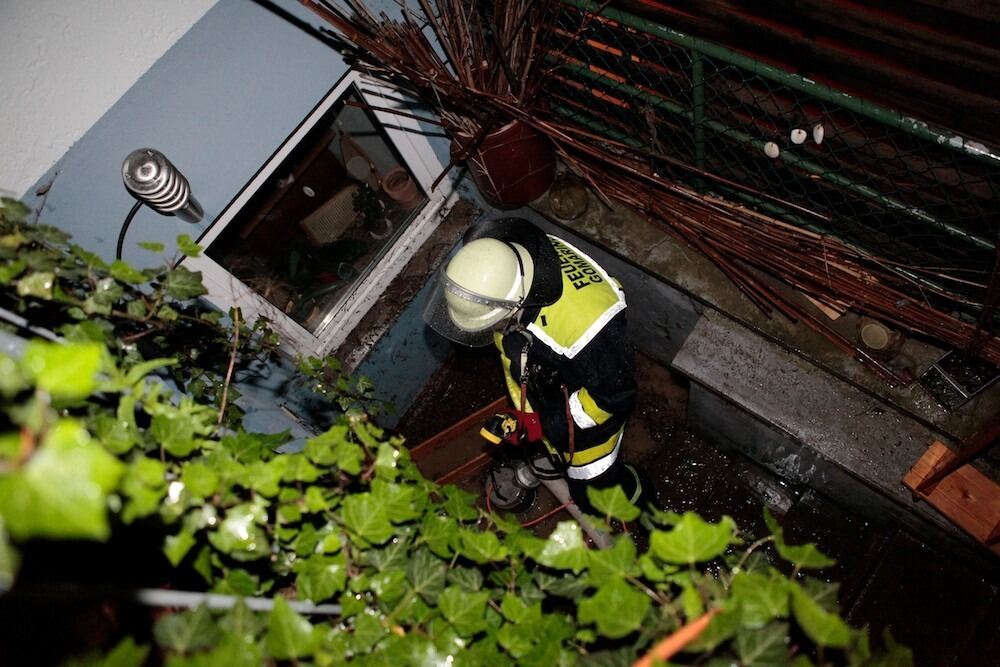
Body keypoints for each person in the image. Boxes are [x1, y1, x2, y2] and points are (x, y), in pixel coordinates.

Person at [423, 217, 643, 510]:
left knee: (598, 489)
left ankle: (641, 512)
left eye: (491, 323)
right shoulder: (509, 261)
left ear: (513, 304)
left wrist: (546, 425)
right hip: (555, 390)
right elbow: (518, 351)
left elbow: (615, 394)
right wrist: (525, 420)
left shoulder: (588, 328)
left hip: (591, 434)